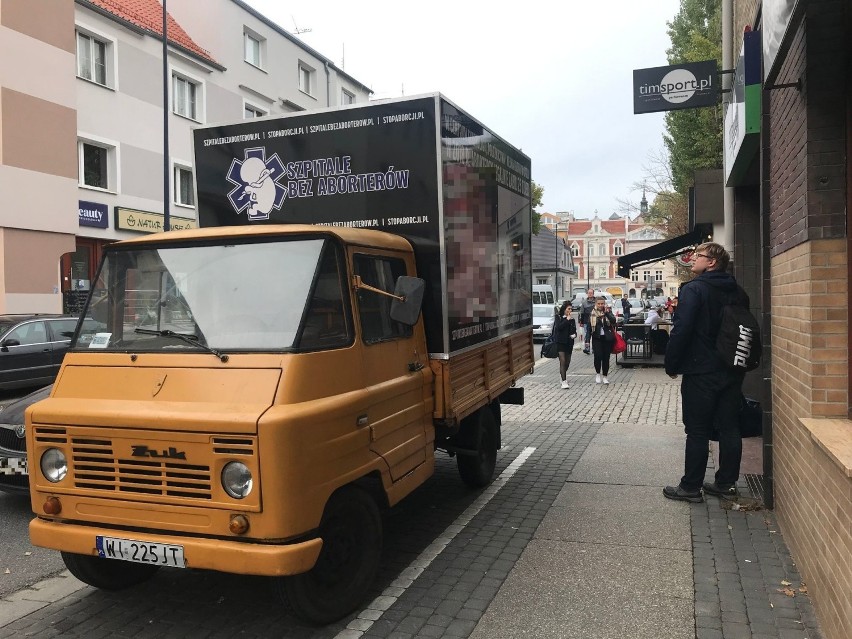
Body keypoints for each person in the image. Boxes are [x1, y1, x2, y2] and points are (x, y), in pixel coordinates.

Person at [663, 242, 748, 503]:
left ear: (711, 262)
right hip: (732, 369)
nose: (692, 260)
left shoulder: (694, 290)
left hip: (701, 370)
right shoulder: (738, 291)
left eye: (698, 256)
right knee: (730, 428)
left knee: (697, 431)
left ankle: (690, 487)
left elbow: (682, 329)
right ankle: (726, 483)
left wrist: (672, 364)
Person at [589, 296, 617, 384]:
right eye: (599, 304)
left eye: (602, 303)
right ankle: (598, 373)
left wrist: (607, 313)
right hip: (597, 338)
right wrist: (587, 340)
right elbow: (589, 327)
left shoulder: (608, 311)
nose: (600, 305)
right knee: (598, 356)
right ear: (596, 304)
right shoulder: (592, 313)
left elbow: (613, 320)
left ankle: (605, 376)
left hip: (607, 338)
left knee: (606, 358)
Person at [553, 301, 577, 389]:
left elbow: (574, 330)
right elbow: (559, 327)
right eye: (568, 309)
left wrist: (574, 335)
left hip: (569, 343)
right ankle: (564, 381)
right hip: (560, 342)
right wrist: (567, 319)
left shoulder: (572, 320)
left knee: (567, 362)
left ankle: (562, 374)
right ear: (564, 309)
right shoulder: (558, 317)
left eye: (571, 309)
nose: (570, 311)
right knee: (562, 361)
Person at [578, 288, 596, 355]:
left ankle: (594, 348)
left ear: (593, 293)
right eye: (589, 293)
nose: (590, 294)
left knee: (595, 335)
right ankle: (587, 348)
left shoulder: (596, 301)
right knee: (587, 335)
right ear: (587, 294)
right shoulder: (584, 302)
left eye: (591, 293)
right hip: (586, 321)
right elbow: (581, 312)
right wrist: (581, 322)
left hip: (595, 321)